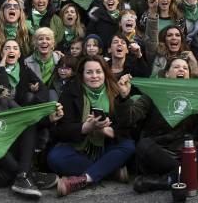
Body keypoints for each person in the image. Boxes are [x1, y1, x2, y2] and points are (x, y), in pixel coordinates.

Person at [115, 63, 198, 193]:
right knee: (143, 145)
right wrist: (124, 97)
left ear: (188, 76)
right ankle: (195, 173)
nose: (181, 69)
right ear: (166, 74)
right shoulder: (153, 94)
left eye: (185, 68)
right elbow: (127, 120)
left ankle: (168, 180)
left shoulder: (194, 97)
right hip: (159, 152)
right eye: (176, 67)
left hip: (187, 152)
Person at [0, 62, 63, 197]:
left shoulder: (4, 101)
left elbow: (26, 118)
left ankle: (22, 176)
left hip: (6, 164)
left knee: (26, 121)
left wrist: (50, 118)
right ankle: (28, 174)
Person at [47, 55, 135, 196]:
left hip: (107, 146)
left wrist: (107, 130)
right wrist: (86, 128)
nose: (94, 76)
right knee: (55, 157)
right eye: (89, 72)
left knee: (129, 146)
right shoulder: (71, 91)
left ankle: (83, 179)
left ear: (105, 73)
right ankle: (110, 172)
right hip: (80, 149)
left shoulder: (116, 90)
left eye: (98, 72)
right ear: (82, 74)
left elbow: (127, 126)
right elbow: (61, 130)